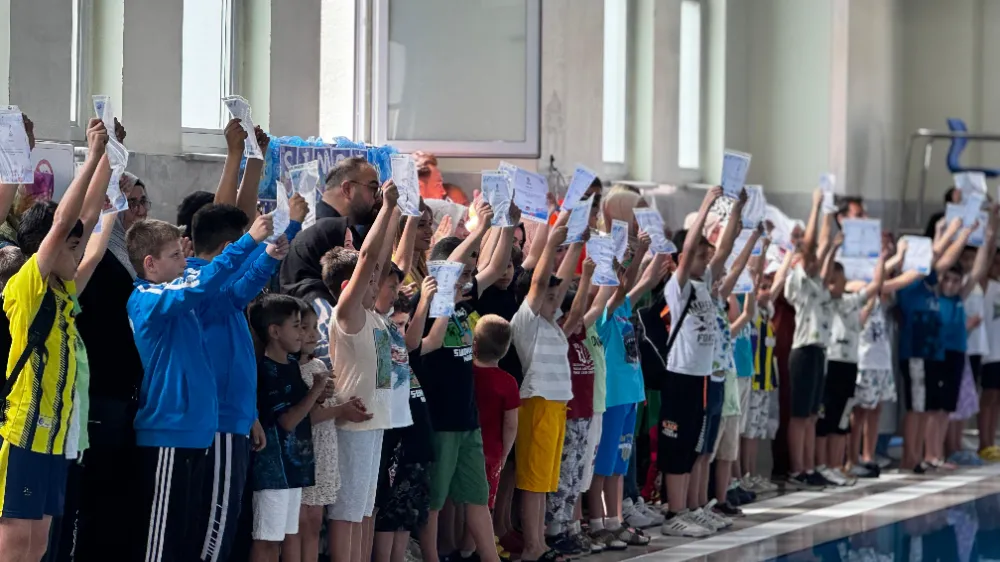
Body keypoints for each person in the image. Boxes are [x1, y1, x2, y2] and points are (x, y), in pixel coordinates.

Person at [125, 211, 274, 562]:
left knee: (186, 540)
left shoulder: (183, 301)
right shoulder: (147, 300)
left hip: (196, 435)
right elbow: (204, 282)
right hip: (167, 434)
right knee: (160, 546)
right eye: (176, 255)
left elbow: (233, 294)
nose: (185, 260)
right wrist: (249, 241)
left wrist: (268, 256)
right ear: (150, 264)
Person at [0, 118, 108, 562]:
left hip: (54, 435)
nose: (77, 253)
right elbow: (66, 221)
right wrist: (90, 151)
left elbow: (89, 225)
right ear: (50, 245)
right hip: (23, 430)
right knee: (16, 541)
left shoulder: (65, 294)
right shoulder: (27, 288)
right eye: (69, 248)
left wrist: (107, 159)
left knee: (41, 543)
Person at [188, 201, 299, 562]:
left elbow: (248, 277)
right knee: (214, 525)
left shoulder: (218, 290)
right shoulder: (198, 286)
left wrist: (250, 413)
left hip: (233, 419)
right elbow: (243, 286)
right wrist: (259, 246)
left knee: (224, 519)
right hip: (216, 424)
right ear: (226, 251)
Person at [325, 178, 399, 562]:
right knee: (347, 510)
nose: (377, 284)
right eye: (368, 281)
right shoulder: (348, 314)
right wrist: (384, 209)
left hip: (375, 423)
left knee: (365, 508)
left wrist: (397, 211)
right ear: (346, 285)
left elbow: (380, 260)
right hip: (353, 424)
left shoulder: (373, 315)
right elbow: (369, 259)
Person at [658, 186, 724, 538]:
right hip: (680, 374)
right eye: (700, 256)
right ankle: (674, 512)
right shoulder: (678, 288)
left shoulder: (705, 284)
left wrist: (739, 216)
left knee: (692, 445)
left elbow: (725, 251)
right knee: (676, 442)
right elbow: (685, 255)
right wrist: (706, 204)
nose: (705, 261)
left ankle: (688, 508)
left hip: (701, 377)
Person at [247, 295, 327, 562]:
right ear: (275, 331)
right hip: (274, 471)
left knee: (279, 539)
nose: (302, 333)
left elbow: (303, 409)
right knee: (266, 539)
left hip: (294, 469)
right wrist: (315, 391)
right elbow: (288, 421)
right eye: (297, 326)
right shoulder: (266, 370)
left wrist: (320, 393)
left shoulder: (292, 364)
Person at [293, 302, 372, 562]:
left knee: (315, 519)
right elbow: (306, 418)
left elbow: (329, 404)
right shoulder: (292, 372)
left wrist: (347, 405)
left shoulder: (318, 367)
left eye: (315, 328)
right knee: (299, 521)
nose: (314, 335)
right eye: (304, 328)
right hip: (303, 454)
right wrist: (340, 411)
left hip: (324, 452)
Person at [783, 189, 836, 490]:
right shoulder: (798, 282)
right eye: (810, 257)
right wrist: (816, 206)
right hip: (802, 351)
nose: (815, 260)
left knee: (813, 414)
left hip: (818, 351)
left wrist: (829, 211)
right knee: (800, 414)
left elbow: (823, 246)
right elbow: (815, 244)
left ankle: (809, 465)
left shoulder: (817, 284)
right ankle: (797, 468)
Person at [471, 315, 519, 517]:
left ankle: (454, 544)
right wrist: (505, 453)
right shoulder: (508, 382)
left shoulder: (467, 373)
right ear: (506, 349)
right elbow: (510, 424)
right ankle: (472, 547)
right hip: (491, 452)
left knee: (459, 503)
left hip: (466, 447)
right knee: (483, 503)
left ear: (475, 344)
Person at [318, 156, 382, 243]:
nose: (377, 198)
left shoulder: (343, 227)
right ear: (347, 189)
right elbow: (366, 256)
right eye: (373, 188)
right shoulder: (325, 232)